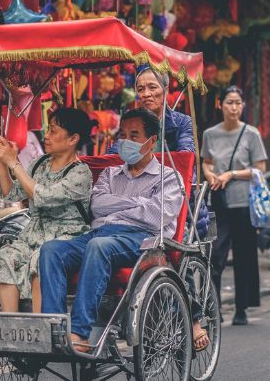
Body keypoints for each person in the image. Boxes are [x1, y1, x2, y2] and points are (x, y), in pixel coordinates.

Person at [40, 108, 184, 351]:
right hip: (100, 234)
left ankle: (79, 333)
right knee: (51, 250)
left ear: (152, 141)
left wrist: (117, 208)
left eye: (134, 135)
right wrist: (137, 204)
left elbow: (156, 215)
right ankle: (53, 330)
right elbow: (97, 206)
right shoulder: (110, 173)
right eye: (123, 135)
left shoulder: (168, 178)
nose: (125, 141)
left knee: (99, 246)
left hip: (142, 241)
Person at [110, 66, 211, 349]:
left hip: (177, 203)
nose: (146, 93)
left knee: (173, 249)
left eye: (152, 87)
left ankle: (193, 318)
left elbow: (187, 158)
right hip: (138, 198)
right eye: (140, 88)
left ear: (165, 88)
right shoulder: (132, 121)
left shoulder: (180, 122)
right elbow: (113, 152)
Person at [0, 108, 94, 313]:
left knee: (40, 260)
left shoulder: (80, 173)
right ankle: (11, 326)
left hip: (66, 237)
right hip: (33, 234)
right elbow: (11, 194)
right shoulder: (39, 164)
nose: (47, 136)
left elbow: (43, 196)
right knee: (4, 257)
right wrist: (2, 162)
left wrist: (14, 163)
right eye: (47, 130)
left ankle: (39, 328)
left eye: (53, 131)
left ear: (73, 139)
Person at [202, 85, 268, 326]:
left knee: (243, 256)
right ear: (220, 104)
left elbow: (260, 170)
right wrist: (210, 176)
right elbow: (206, 163)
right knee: (215, 256)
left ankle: (241, 309)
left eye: (238, 103)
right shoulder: (210, 134)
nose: (233, 107)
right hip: (217, 201)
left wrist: (231, 174)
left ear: (243, 106)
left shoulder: (251, 134)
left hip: (243, 203)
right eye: (229, 102)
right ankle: (215, 308)